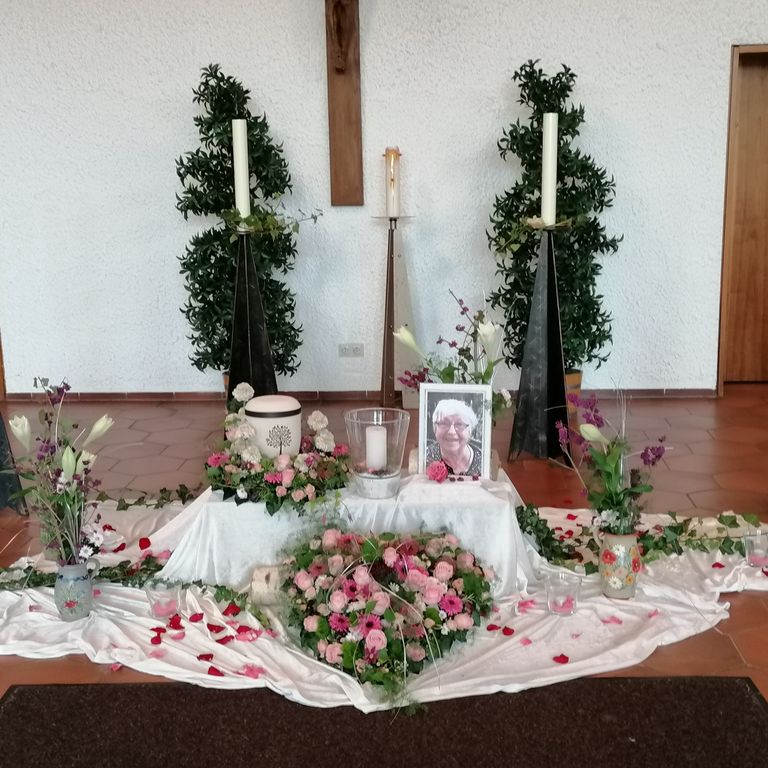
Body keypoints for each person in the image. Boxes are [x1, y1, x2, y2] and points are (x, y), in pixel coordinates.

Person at [425, 398, 482, 476]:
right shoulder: (425, 458)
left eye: (460, 424)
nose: (451, 432)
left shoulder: (483, 462)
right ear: (435, 428)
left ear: (470, 430)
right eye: (444, 423)